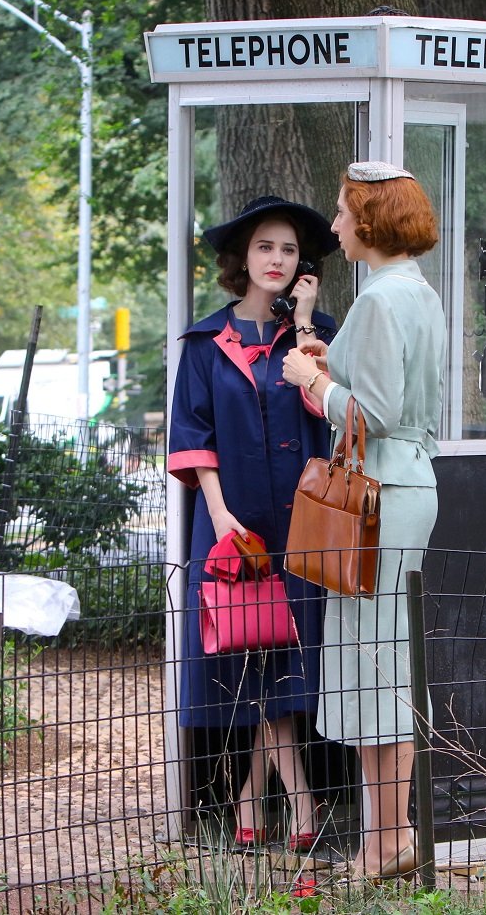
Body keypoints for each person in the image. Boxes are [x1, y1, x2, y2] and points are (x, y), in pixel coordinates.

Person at [282, 162, 446, 878]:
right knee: (385, 665)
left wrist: (311, 380)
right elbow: (391, 396)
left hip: (377, 494)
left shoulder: (380, 299)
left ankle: (389, 841)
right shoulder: (415, 291)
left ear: (371, 220)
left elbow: (370, 413)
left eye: (344, 212)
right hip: (400, 484)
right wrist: (333, 365)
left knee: (378, 667)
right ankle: (390, 839)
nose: (336, 225)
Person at [168, 195, 340, 851]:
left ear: (303, 267)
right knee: (251, 657)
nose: (277, 258)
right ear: (242, 258)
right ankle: (299, 805)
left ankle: (252, 800)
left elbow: (325, 409)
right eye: (266, 246)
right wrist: (219, 514)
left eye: (290, 249)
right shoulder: (205, 344)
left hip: (301, 523)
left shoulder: (314, 334)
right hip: (232, 523)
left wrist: (300, 320)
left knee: (284, 662)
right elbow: (193, 435)